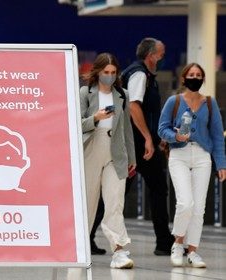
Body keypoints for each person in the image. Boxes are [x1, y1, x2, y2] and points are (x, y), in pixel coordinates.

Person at [158, 63, 226, 268]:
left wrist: (221, 163)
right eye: (191, 74)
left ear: (203, 79)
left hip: (203, 156)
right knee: (185, 203)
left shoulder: (210, 103)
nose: (195, 77)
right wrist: (175, 135)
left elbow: (217, 136)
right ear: (183, 79)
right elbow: (162, 129)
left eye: (198, 75)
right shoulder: (174, 101)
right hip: (179, 154)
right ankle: (178, 243)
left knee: (198, 208)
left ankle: (193, 251)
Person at [80, 53, 136, 269]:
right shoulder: (86, 93)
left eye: (113, 73)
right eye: (106, 72)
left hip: (116, 150)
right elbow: (75, 123)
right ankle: (81, 249)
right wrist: (95, 118)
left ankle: (119, 251)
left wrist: (131, 156)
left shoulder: (123, 94)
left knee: (115, 202)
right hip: (92, 148)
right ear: (98, 71)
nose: (110, 76)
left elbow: (126, 128)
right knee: (88, 201)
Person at [121, 38, 175, 256]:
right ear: (151, 56)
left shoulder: (145, 75)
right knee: (121, 192)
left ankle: (163, 240)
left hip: (141, 143)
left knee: (156, 189)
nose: (163, 58)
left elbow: (150, 114)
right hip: (138, 145)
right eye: (161, 54)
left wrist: (156, 136)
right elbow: (134, 107)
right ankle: (163, 240)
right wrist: (148, 138)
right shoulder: (139, 75)